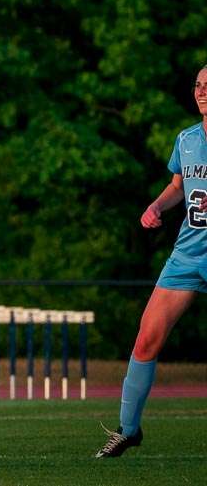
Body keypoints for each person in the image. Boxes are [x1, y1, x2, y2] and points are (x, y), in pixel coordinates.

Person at [95, 65, 207, 458]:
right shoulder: (187, 139)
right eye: (198, 84)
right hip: (188, 254)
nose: (202, 91)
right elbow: (178, 186)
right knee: (146, 339)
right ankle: (128, 430)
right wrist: (156, 206)